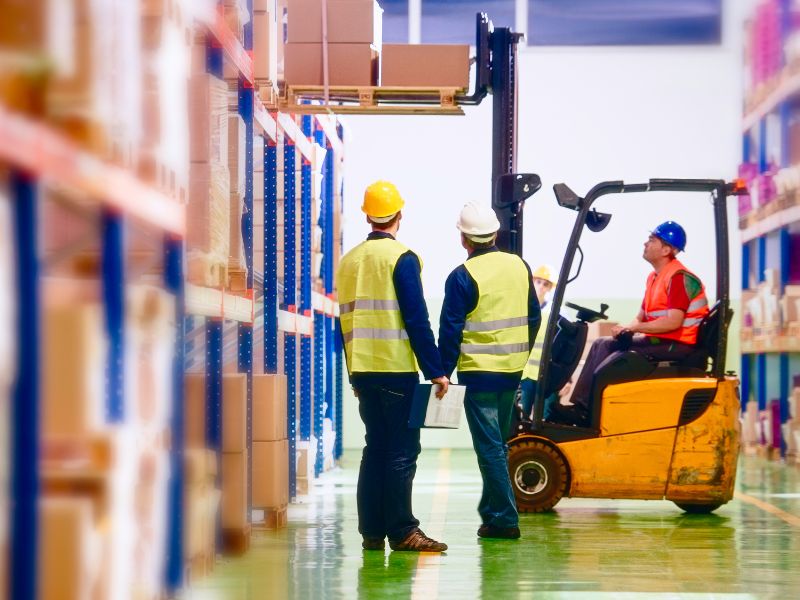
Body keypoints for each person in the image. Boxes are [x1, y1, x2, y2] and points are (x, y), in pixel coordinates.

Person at [336, 180, 450, 553]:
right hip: (396, 372)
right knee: (402, 451)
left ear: (367, 216)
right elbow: (417, 320)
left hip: (364, 373)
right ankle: (403, 531)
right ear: (400, 215)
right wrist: (435, 369)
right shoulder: (402, 258)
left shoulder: (348, 261)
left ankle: (371, 532)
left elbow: (345, 322)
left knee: (375, 449)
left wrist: (354, 373)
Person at [438, 202, 540, 540]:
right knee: (498, 443)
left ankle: (505, 520)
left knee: (490, 447)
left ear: (464, 239)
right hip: (511, 372)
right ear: (495, 233)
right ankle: (495, 513)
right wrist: (520, 354)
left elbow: (450, 331)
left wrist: (442, 372)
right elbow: (533, 317)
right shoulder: (519, 266)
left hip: (478, 374)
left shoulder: (461, 277)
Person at [553, 221, 709, 426]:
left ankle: (586, 412)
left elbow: (673, 321)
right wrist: (626, 328)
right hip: (661, 341)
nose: (645, 243)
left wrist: (634, 329)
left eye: (652, 240)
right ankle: (582, 407)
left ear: (667, 249)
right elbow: (641, 316)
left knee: (616, 357)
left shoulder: (678, 277)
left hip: (677, 345)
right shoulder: (654, 277)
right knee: (603, 344)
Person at [518, 264, 568, 421]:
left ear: (549, 288)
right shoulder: (521, 307)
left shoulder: (556, 312)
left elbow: (565, 345)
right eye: (538, 282)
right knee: (521, 417)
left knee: (546, 418)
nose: (540, 286)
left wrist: (567, 379)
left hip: (547, 373)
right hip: (525, 374)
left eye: (545, 284)